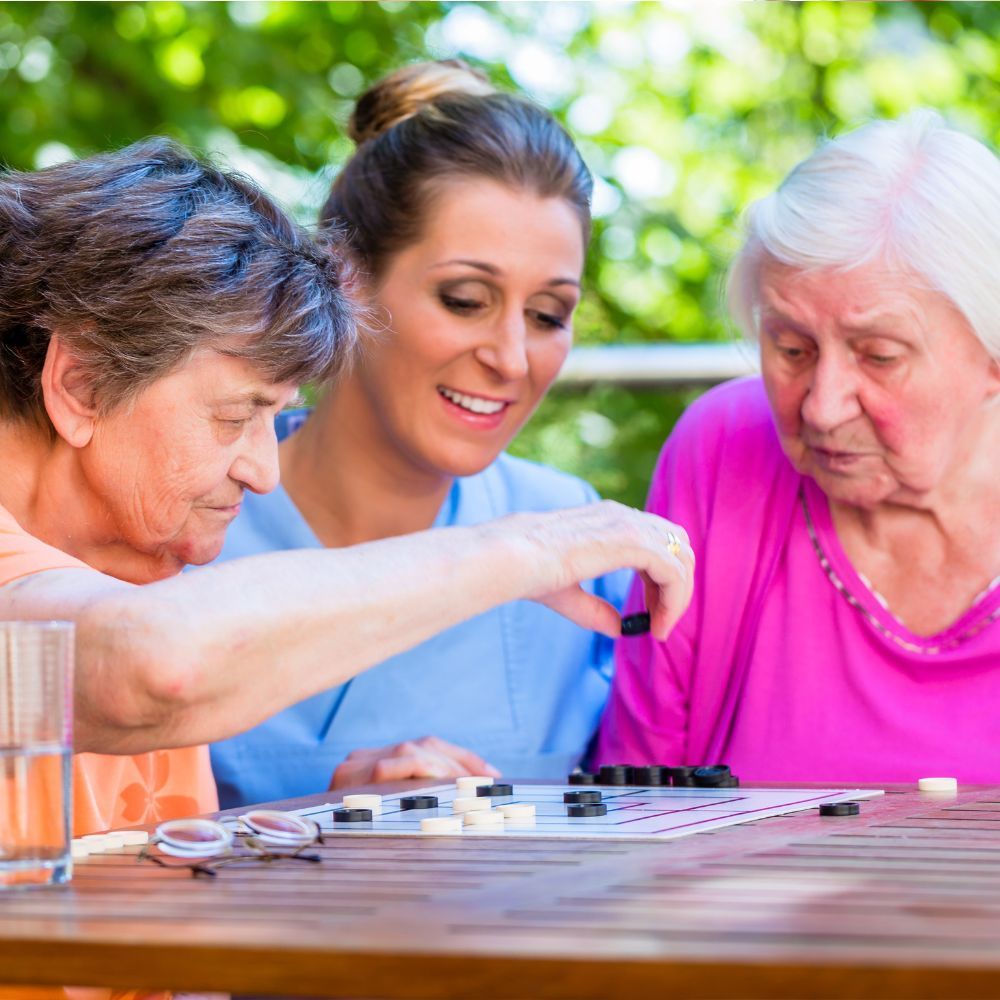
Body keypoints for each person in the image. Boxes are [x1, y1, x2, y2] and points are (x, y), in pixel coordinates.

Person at [0, 136, 695, 847]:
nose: (263, 473)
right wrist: (524, 550)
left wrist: (330, 820)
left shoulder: (133, 559)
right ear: (81, 385)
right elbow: (150, 666)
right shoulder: (136, 622)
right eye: (236, 416)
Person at [209, 60, 631, 807]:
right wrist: (309, 818)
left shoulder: (579, 546)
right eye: (465, 300)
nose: (510, 357)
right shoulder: (186, 525)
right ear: (347, 277)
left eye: (547, 315)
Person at [598, 110, 1000, 783]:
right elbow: (635, 796)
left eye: (878, 355)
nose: (820, 404)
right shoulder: (721, 450)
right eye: (791, 348)